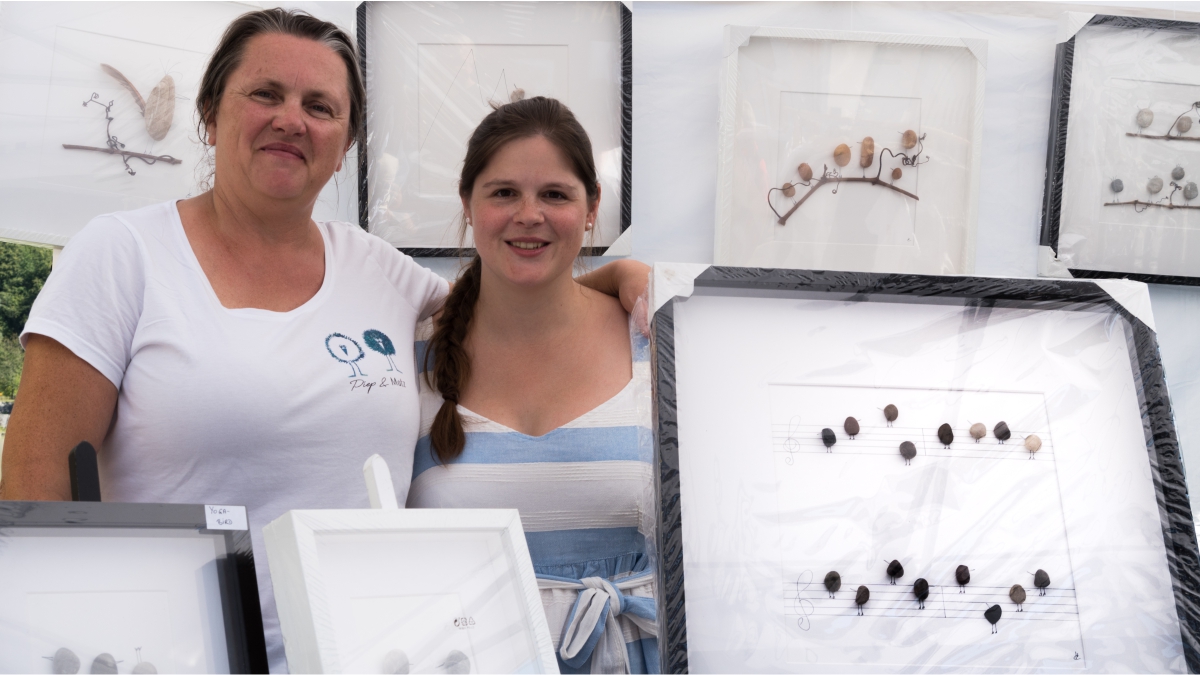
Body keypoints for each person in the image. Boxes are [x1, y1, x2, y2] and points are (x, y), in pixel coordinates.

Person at [0, 9, 648, 672]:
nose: (292, 120)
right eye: (266, 93)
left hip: (363, 657)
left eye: (320, 106)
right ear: (210, 114)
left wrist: (617, 279)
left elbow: (512, 298)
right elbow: (32, 485)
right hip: (173, 657)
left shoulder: (379, 270)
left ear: (344, 148)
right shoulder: (123, 253)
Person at [408, 97, 658, 673]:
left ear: (592, 208)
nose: (529, 214)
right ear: (468, 204)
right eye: (503, 193)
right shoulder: (411, 350)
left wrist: (627, 273)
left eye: (554, 195)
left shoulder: (650, 337)